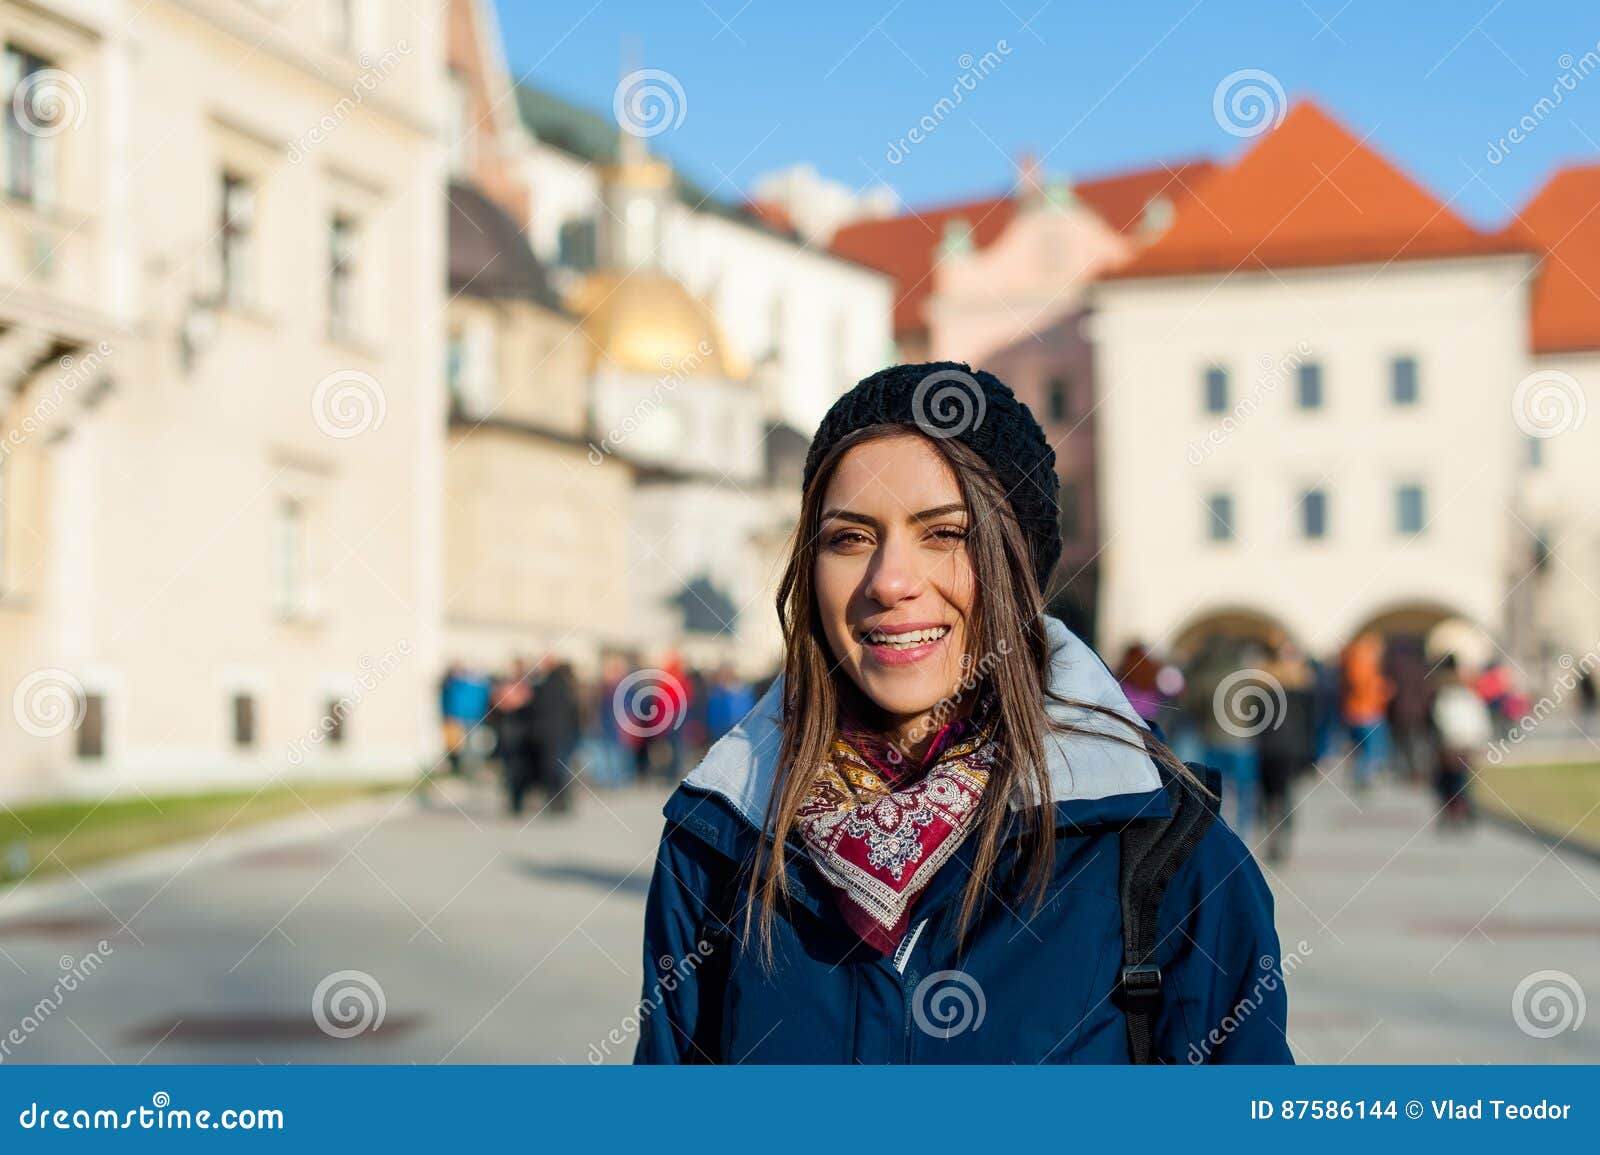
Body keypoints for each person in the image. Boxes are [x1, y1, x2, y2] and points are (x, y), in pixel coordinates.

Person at [634, 362, 1290, 1065]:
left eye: (944, 533)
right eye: (849, 537)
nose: (889, 580)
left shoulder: (1162, 850)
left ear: (1019, 564)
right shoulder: (719, 840)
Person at [1255, 640, 1317, 865]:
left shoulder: (1263, 689)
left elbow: (1255, 722)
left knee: (1269, 795)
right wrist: (1310, 756)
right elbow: (1310, 726)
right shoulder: (1303, 690)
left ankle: (1273, 837)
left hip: (1268, 749)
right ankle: (1282, 839)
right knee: (1285, 794)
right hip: (1291, 749)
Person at [1426, 654, 1490, 829]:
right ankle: (1463, 808)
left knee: (1448, 780)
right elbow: (1478, 715)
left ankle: (1455, 810)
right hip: (1463, 742)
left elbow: (1437, 718)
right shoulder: (1466, 690)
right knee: (1459, 778)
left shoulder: (1440, 691)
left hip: (1449, 743)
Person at [1341, 632, 1393, 790]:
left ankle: (1363, 774)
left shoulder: (1358, 659)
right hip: (1367, 712)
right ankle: (1363, 775)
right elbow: (1362, 686)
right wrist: (1382, 689)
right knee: (1369, 748)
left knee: (1363, 747)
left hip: (1360, 710)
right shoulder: (1364, 660)